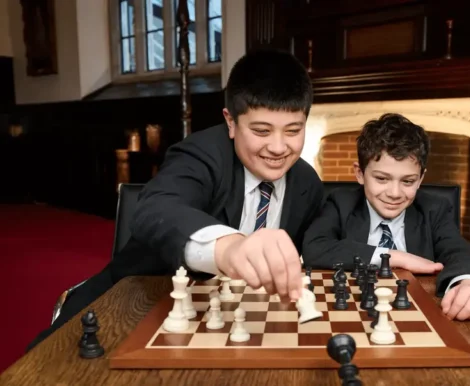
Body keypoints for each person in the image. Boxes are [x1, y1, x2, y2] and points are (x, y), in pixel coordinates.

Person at [27, 49, 324, 350]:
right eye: (261, 130)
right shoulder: (202, 153)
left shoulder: (307, 183)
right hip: (134, 305)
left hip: (233, 324)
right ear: (231, 122)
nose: (278, 147)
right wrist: (230, 248)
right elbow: (155, 207)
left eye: (293, 131)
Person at [302, 113, 470, 321]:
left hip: (416, 317)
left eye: (408, 181)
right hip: (352, 313)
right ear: (359, 173)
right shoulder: (340, 203)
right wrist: (396, 257)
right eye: (382, 179)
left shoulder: (434, 209)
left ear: (421, 178)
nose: (394, 193)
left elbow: (458, 249)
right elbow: (315, 248)